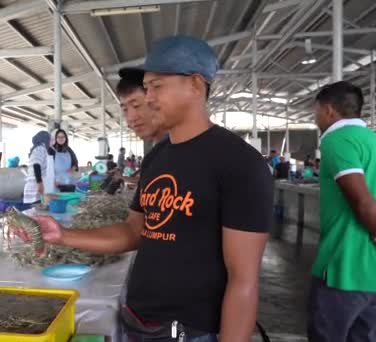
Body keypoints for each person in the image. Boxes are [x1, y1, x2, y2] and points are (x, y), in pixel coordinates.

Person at [22, 35, 272, 341]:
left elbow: (243, 281)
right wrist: (62, 235)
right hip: (137, 320)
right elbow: (134, 231)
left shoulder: (239, 163)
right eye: (148, 87)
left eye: (157, 86)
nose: (149, 97)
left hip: (189, 332)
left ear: (195, 85)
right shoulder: (158, 158)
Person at [308, 81, 376, 342]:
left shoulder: (337, 140)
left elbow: (362, 202)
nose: (315, 117)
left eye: (316, 111)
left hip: (344, 268)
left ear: (328, 110)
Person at [23, 131, 51, 204]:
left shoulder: (41, 149)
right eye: (50, 140)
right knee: (36, 213)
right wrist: (40, 183)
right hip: (35, 189)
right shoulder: (40, 149)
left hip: (37, 189)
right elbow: (36, 165)